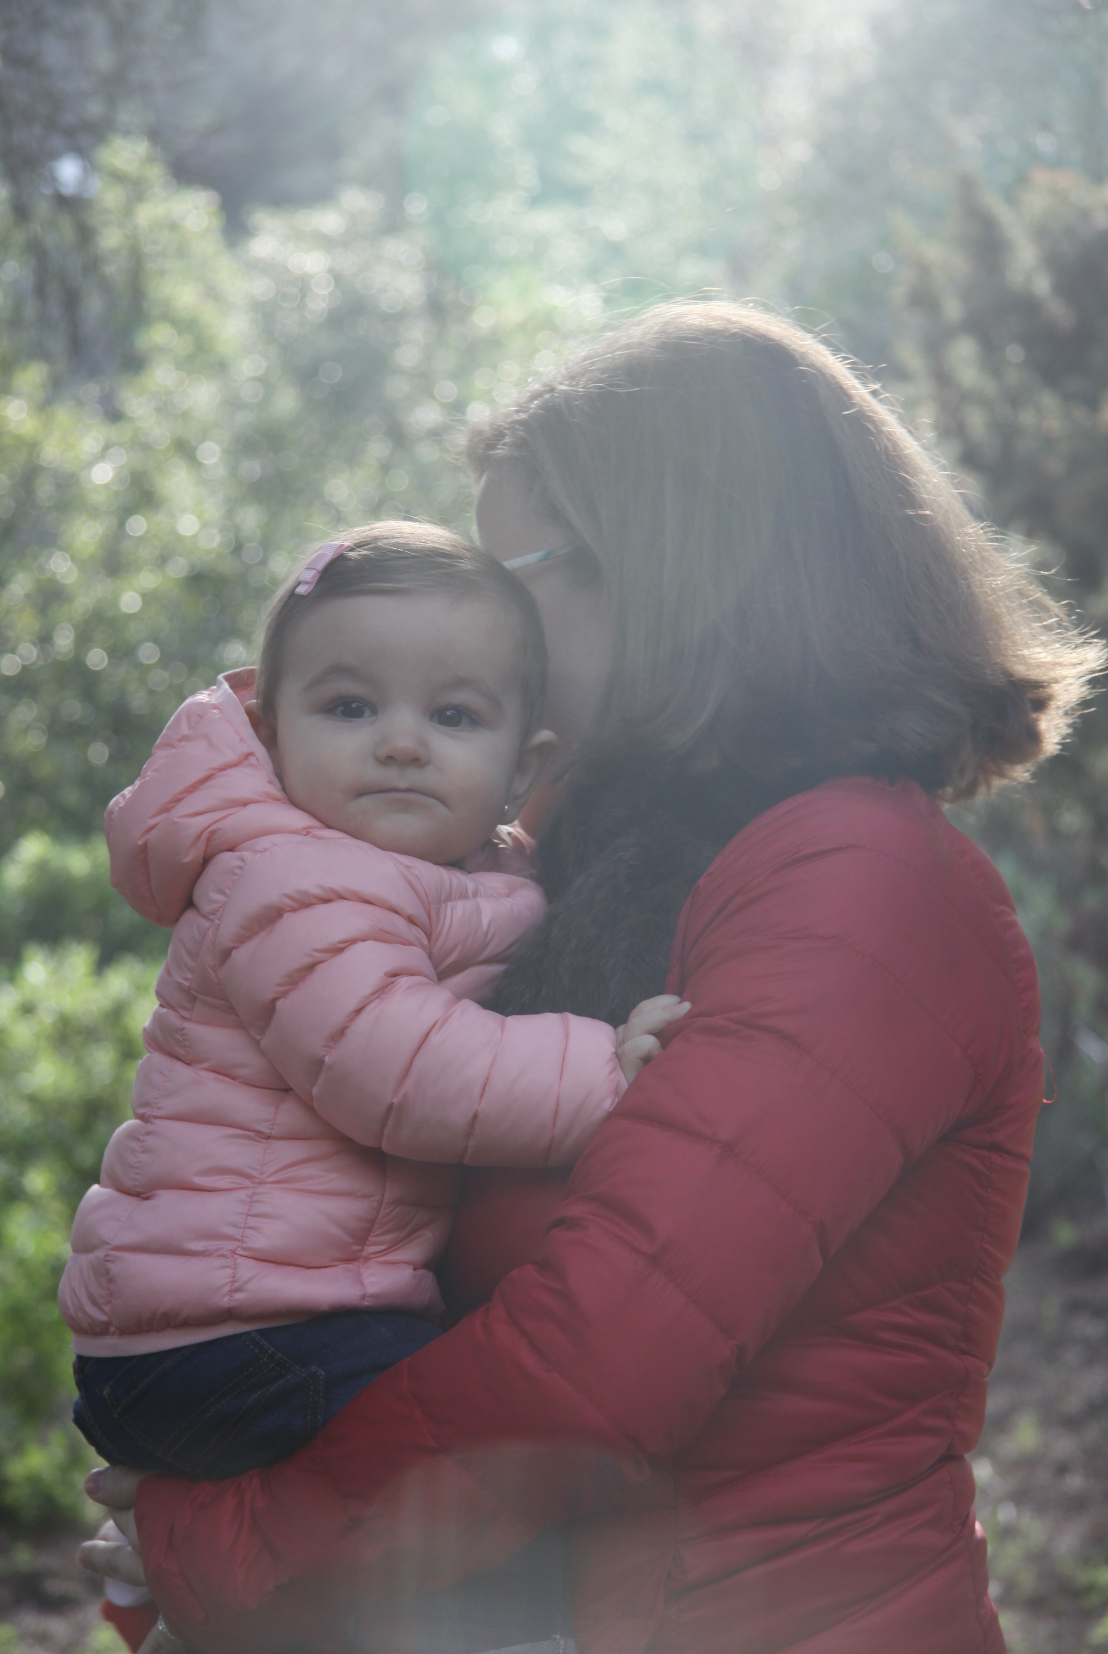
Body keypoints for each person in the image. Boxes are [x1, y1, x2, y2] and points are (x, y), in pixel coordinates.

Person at [80, 301, 1103, 1654]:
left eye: (514, 576)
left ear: (665, 565)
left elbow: (595, 1362)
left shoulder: (861, 885)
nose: (485, 626)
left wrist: (212, 1543)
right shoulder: (576, 847)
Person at [61, 522, 684, 1622]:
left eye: (454, 717)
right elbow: (396, 1068)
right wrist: (603, 1070)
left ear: (522, 765)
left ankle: (186, 1601)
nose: (400, 744)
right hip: (235, 1330)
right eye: (350, 707)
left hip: (275, 1315)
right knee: (478, 1492)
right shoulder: (291, 878)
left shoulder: (448, 872)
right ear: (270, 733)